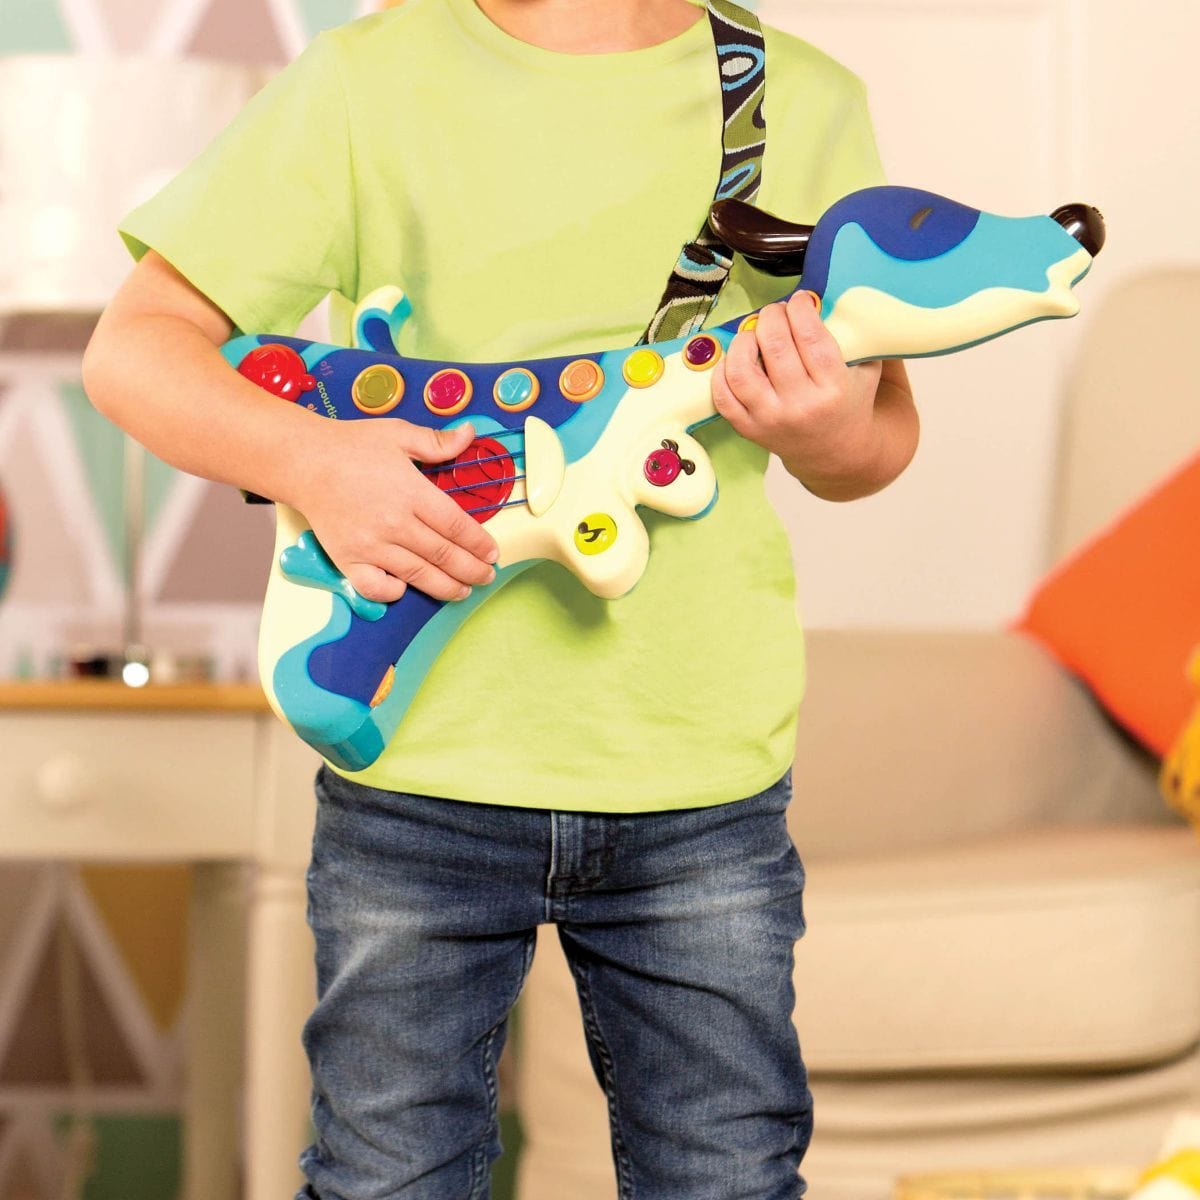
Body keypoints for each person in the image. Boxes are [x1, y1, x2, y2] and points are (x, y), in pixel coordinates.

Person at [82, 0, 918, 1195]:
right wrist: (312, 461)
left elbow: (876, 441)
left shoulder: (805, 101)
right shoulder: (363, 86)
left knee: (728, 1172)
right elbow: (135, 348)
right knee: (388, 1175)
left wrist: (827, 427)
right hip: (417, 769)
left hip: (699, 771)